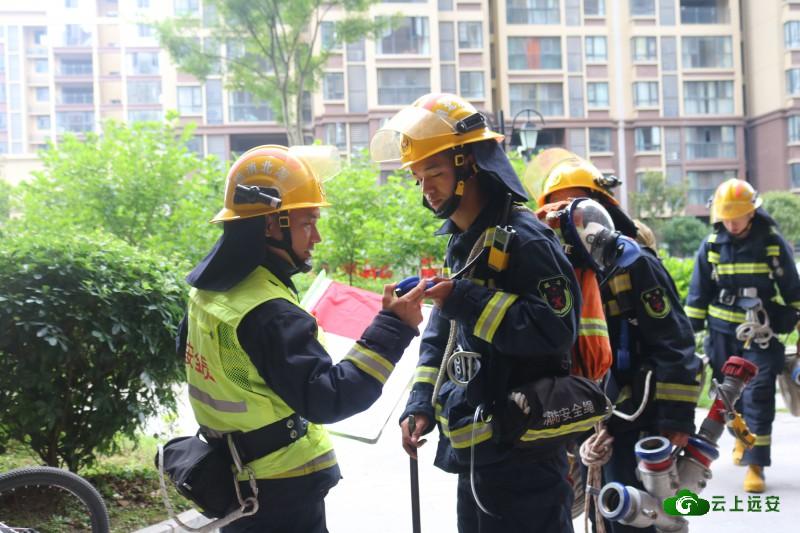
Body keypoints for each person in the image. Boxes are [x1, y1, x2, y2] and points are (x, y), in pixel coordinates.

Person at [176, 144, 426, 532]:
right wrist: (394, 325)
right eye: (308, 223)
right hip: (281, 488)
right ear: (270, 224)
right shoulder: (269, 312)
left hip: (235, 481)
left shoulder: (207, 292)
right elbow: (330, 398)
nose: (317, 237)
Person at [371, 93, 582, 533]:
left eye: (435, 173)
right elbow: (444, 336)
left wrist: (463, 298)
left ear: (469, 165)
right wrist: (420, 403)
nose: (426, 190)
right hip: (478, 452)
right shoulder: (464, 243)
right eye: (417, 178)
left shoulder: (527, 241)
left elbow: (556, 331)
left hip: (526, 460)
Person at [531, 151, 701, 533]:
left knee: (640, 517)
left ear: (600, 209)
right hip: (596, 419)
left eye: (576, 208)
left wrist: (676, 418)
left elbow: (675, 342)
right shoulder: (564, 274)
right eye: (557, 213)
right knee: (605, 514)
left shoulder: (633, 264)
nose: (567, 221)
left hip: (642, 419)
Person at [685, 178, 800, 493]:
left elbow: (793, 289)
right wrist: (685, 337)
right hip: (722, 334)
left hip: (761, 333)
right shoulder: (711, 245)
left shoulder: (771, 243)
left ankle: (755, 465)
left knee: (758, 395)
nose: (731, 224)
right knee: (728, 399)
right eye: (726, 218)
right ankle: (741, 438)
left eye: (737, 217)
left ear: (752, 213)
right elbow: (697, 294)